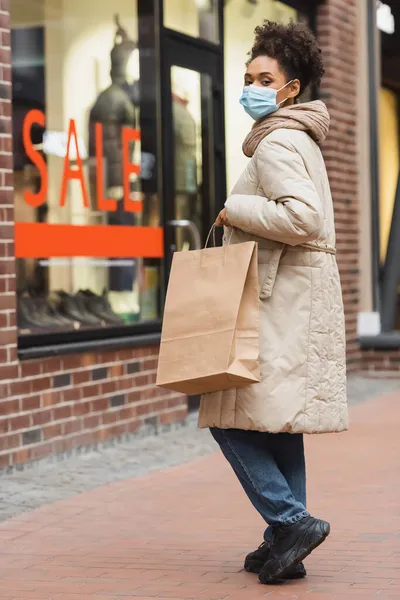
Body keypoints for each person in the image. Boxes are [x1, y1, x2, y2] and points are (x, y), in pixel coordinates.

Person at [198, 20, 348, 585]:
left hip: (280, 302)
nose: (253, 86)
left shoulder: (278, 140)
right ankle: (287, 536)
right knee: (277, 423)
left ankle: (289, 521)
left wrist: (233, 210)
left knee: (229, 418)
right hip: (294, 300)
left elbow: (301, 218)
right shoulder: (299, 136)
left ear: (292, 87)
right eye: (248, 77)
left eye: (265, 78)